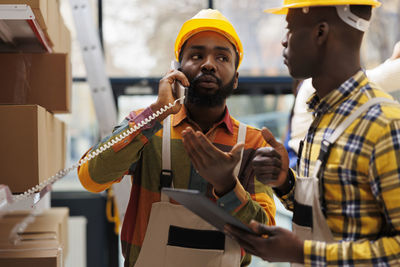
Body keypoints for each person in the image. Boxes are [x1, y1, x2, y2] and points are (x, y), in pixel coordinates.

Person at [77, 9, 276, 267]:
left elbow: (266, 238)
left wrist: (228, 186)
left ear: (235, 79)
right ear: (177, 70)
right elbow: (90, 177)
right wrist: (153, 116)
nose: (208, 63)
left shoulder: (252, 143)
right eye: (196, 55)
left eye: (222, 57)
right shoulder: (147, 126)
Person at [219, 0, 400, 266]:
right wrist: (286, 183)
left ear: (320, 33)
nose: (283, 41)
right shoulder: (322, 116)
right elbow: (325, 214)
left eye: (290, 29)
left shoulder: (384, 125)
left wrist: (301, 253)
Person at [285, 40, 400, 165]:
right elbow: (377, 79)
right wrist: (392, 62)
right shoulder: (313, 84)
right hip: (304, 168)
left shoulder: (310, 86)